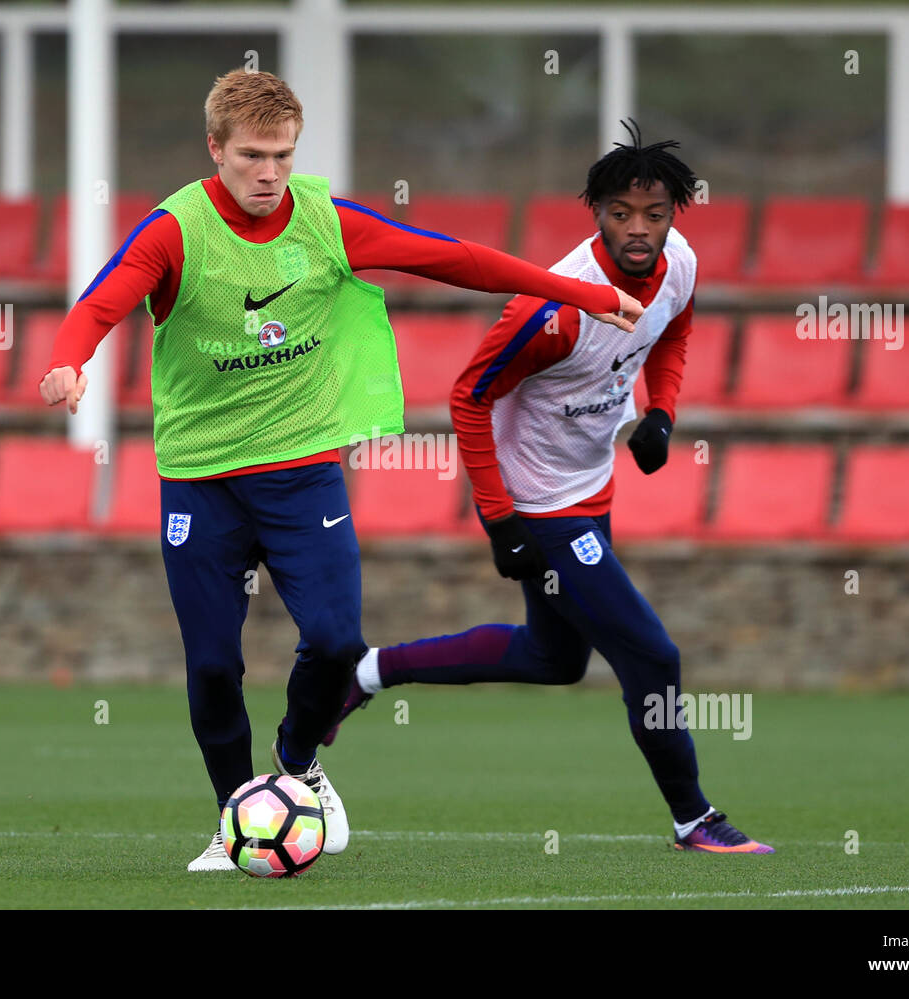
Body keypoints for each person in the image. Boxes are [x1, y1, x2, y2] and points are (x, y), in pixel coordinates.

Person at [38, 70, 645, 871]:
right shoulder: (174, 231)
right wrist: (68, 362)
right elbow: (99, 303)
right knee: (214, 662)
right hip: (200, 479)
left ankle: (295, 765)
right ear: (214, 149)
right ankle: (234, 819)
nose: (269, 173)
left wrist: (574, 290)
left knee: (335, 640)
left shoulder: (322, 220)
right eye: (252, 156)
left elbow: (453, 259)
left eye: (283, 155)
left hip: (302, 473)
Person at [322, 123, 774, 855]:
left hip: (591, 487)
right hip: (541, 506)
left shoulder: (681, 265)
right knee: (653, 658)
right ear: (594, 211)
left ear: (674, 217)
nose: (638, 229)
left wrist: (661, 412)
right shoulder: (554, 308)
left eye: (653, 215)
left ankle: (365, 671)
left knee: (552, 658)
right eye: (620, 214)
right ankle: (695, 818)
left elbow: (673, 331)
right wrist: (501, 522)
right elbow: (468, 394)